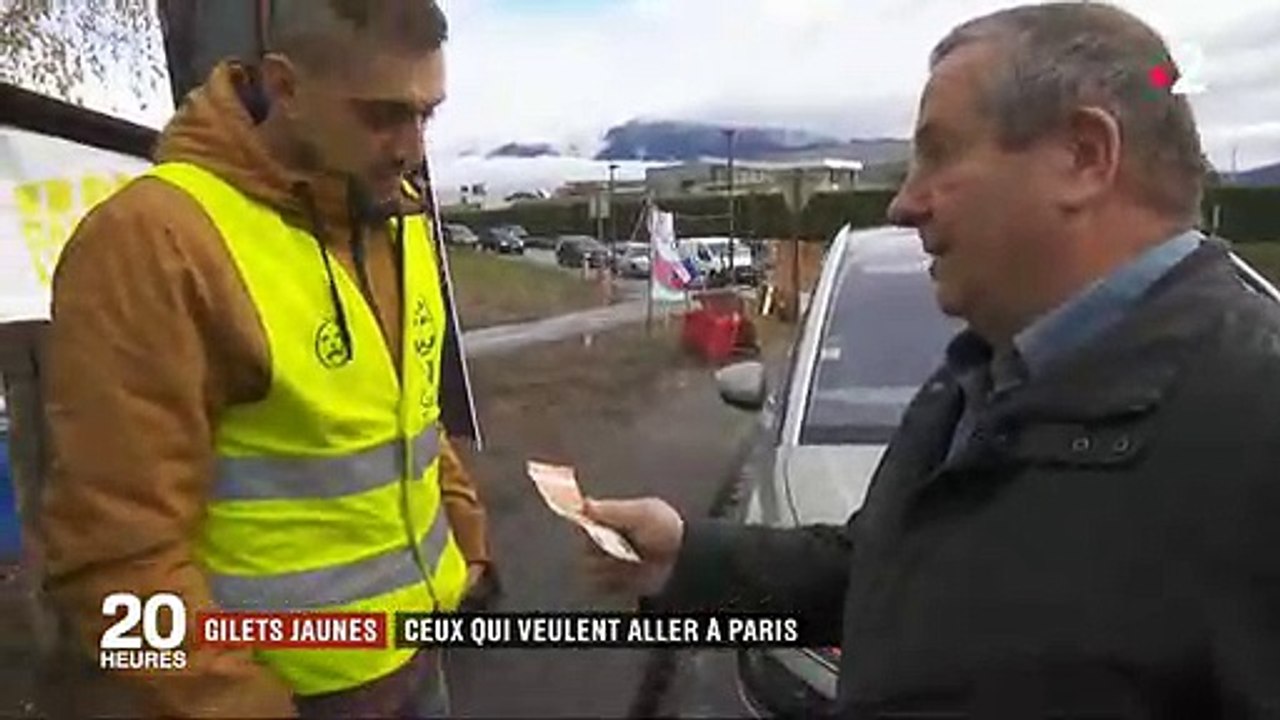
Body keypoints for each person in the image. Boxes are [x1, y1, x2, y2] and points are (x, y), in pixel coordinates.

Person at [583, 3, 1280, 717]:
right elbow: (894, 571)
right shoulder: (984, 370)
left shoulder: (1255, 425)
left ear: (1082, 157)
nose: (903, 203)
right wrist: (687, 558)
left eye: (940, 153)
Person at [39, 0, 493, 716]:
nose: (412, 148)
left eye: (426, 115)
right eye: (382, 115)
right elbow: (114, 559)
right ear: (284, 87)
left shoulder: (391, 215)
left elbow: (409, 419)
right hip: (280, 695)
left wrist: (466, 549)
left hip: (420, 656)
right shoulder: (156, 242)